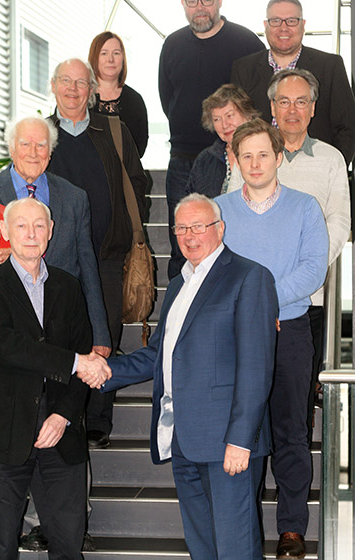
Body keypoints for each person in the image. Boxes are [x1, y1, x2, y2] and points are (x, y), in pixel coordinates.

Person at [82, 194, 279, 559]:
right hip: (184, 438)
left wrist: (241, 440)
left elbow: (256, 367)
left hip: (227, 444)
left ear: (219, 229)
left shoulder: (249, 277)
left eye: (198, 227)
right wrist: (103, 370)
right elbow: (158, 355)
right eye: (181, 228)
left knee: (236, 546)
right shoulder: (177, 284)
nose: (189, 236)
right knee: (201, 544)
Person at [0, 115, 109, 552]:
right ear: (6, 229)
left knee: (67, 542)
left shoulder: (66, 281)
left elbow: (80, 330)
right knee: (1, 544)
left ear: (50, 232)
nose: (31, 234)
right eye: (21, 227)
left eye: (39, 227)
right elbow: (7, 347)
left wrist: (63, 412)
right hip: (4, 427)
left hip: (59, 426)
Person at [215, 119, 329, 559]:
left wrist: (263, 305)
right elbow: (214, 271)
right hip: (236, 336)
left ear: (279, 157)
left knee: (290, 433)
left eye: (264, 154)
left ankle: (291, 530)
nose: (256, 162)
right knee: (243, 431)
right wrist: (253, 313)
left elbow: (312, 269)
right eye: (247, 155)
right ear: (235, 160)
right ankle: (243, 527)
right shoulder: (219, 210)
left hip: (291, 333)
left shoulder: (304, 207)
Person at [228, 69, 351, 442]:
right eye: (284, 101)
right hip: (249, 305)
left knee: (293, 410)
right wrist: (259, 295)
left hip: (307, 301)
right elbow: (236, 218)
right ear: (272, 107)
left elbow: (339, 222)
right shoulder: (253, 154)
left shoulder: (331, 159)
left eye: (301, 102)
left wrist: (304, 270)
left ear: (313, 109)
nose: (292, 109)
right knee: (250, 408)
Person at [48, 58, 147, 450]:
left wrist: (126, 227)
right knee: (60, 336)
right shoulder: (43, 134)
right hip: (53, 259)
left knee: (103, 333)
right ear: (53, 87)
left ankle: (99, 417)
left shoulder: (113, 130)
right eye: (65, 82)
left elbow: (136, 181)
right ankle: (65, 413)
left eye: (81, 83)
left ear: (92, 90)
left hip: (106, 253)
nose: (73, 89)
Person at [158, 0, 265, 278]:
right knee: (183, 241)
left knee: (231, 238)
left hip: (232, 157)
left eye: (206, 0)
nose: (200, 7)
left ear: (219, 1)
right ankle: (181, 312)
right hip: (184, 158)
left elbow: (255, 99)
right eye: (193, 1)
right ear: (184, 5)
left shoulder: (244, 41)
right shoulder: (173, 44)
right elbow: (168, 98)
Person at [230, 0, 355, 165]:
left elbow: (348, 127)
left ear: (303, 25)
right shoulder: (243, 69)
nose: (283, 28)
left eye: (291, 21)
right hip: (260, 171)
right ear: (265, 26)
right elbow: (236, 128)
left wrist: (331, 168)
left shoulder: (330, 66)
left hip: (314, 169)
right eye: (275, 21)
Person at [186, 83, 260, 198]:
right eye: (217, 119)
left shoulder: (267, 153)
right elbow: (192, 203)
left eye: (229, 116)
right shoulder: (206, 160)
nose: (224, 125)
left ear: (247, 115)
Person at [89, 31, 149, 157]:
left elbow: (140, 146)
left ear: (123, 59)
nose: (110, 59)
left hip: (125, 174)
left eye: (116, 53)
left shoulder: (135, 100)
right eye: (104, 53)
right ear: (95, 57)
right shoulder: (80, 97)